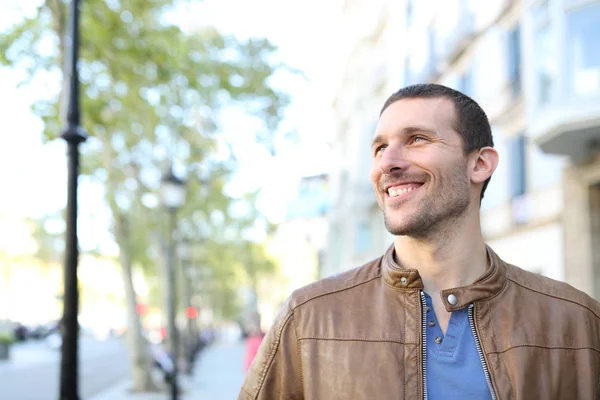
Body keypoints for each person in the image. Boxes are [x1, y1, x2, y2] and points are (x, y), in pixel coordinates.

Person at [238, 84, 600, 399]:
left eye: (417, 139)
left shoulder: (577, 323)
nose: (388, 162)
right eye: (380, 148)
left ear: (479, 165)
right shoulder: (308, 319)